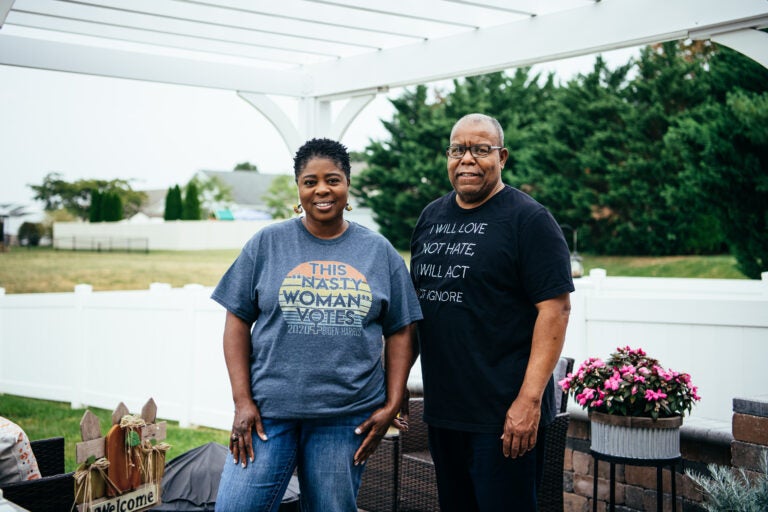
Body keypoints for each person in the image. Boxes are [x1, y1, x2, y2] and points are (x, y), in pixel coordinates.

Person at [212, 138, 422, 512]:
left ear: (347, 185)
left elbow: (402, 328)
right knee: (236, 506)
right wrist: (242, 401)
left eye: (333, 179)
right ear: (299, 188)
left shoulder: (378, 251)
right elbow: (237, 320)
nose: (322, 189)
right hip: (268, 413)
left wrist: (392, 400)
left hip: (346, 417)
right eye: (310, 181)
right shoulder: (267, 244)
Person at [409, 113, 574, 511]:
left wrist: (529, 402)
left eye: (481, 150)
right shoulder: (431, 217)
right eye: (457, 150)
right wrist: (394, 386)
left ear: (502, 157)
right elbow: (416, 311)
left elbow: (555, 310)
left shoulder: (529, 220)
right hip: (446, 411)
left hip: (504, 418)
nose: (467, 159)